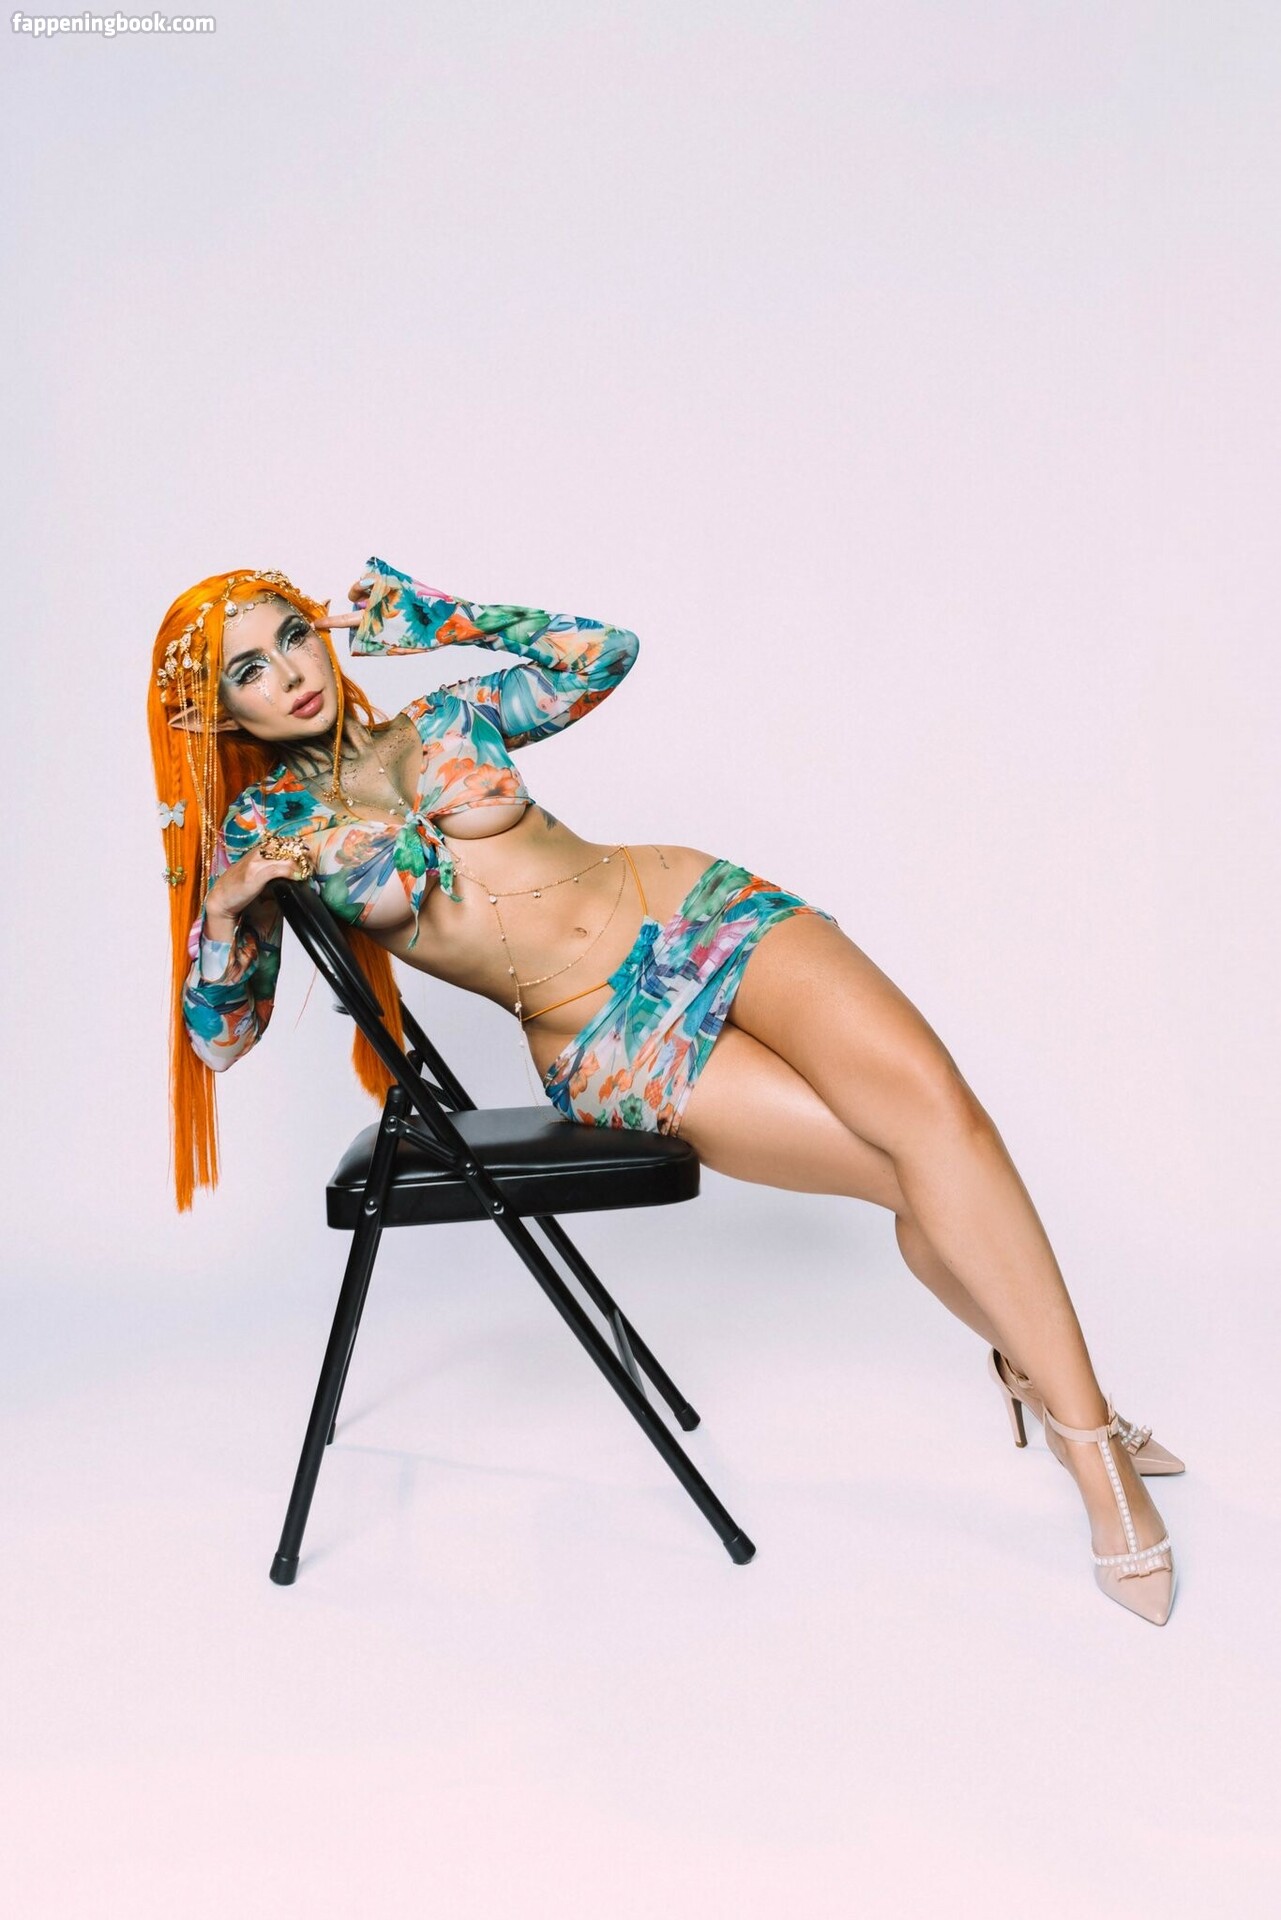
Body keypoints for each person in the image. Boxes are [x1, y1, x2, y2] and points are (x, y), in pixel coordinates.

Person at [148, 558, 1183, 1624]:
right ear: (214, 712)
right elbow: (221, 1045)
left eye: (294, 636)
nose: (290, 674)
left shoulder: (446, 718)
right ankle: (1062, 1401)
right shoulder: (266, 837)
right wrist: (222, 913)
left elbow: (604, 654)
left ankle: (1087, 1440)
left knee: (944, 1123)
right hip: (607, 1035)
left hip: (693, 907)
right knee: (906, 1174)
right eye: (248, 671)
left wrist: (441, 618)